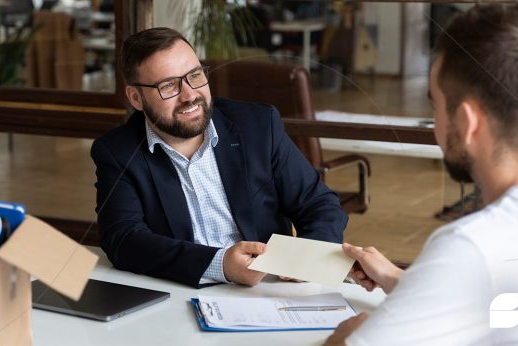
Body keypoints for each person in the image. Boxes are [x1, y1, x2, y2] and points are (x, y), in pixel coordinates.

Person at [326, 3, 518, 345]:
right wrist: (404, 280)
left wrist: (347, 335)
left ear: (468, 123)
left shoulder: (471, 244)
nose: (435, 125)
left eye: (436, 107)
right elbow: (504, 306)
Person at [91, 27, 347, 288]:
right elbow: (123, 239)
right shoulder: (117, 151)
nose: (189, 95)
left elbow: (319, 203)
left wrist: (304, 258)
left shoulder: (257, 126)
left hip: (267, 289)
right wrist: (219, 264)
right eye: (168, 85)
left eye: (195, 75)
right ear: (136, 97)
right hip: (180, 291)